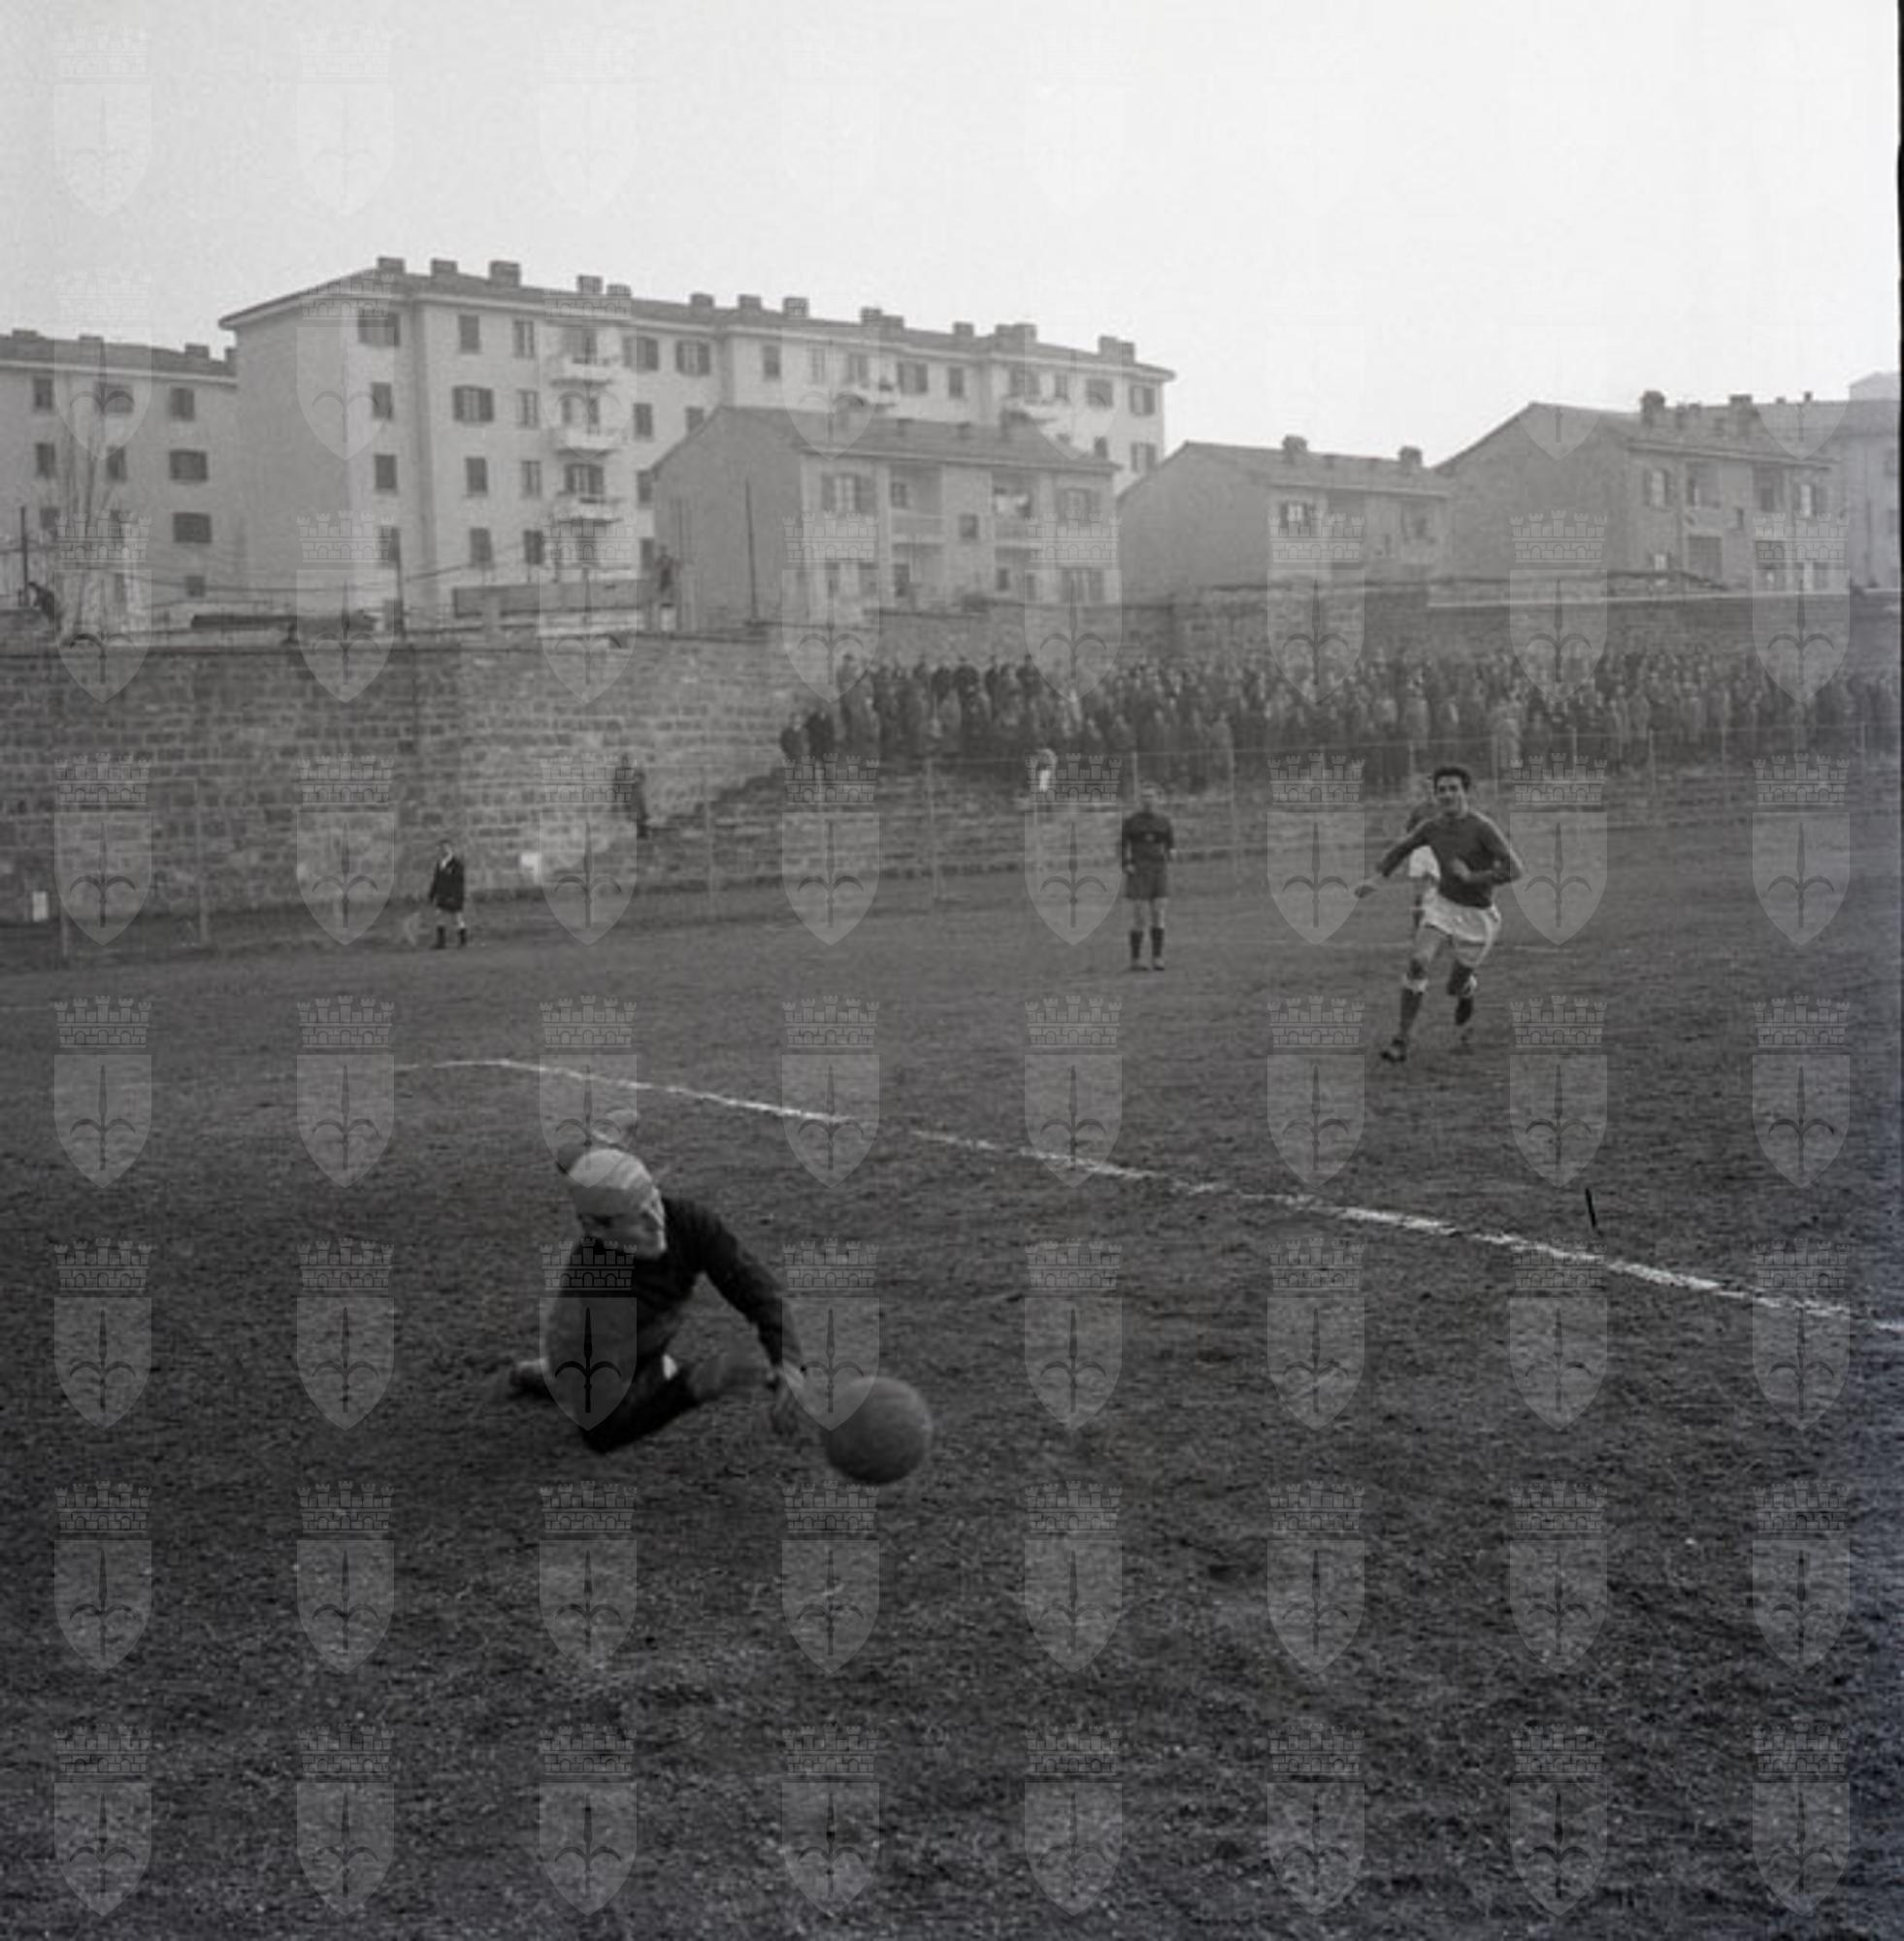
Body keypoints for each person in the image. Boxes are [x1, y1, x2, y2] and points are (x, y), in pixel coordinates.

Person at [504, 1142, 808, 1451]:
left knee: (643, 1365)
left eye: (654, 1201)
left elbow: (758, 1291)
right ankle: (560, 1374)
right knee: (599, 1380)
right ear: (596, 1229)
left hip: (632, 1348)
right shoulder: (592, 1295)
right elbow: (602, 1434)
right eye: (637, 1216)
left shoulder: (685, 1220)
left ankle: (564, 1374)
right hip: (590, 1349)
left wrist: (789, 1362)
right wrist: (695, 1384)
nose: (657, 1221)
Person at [1355, 765, 1523, 1062]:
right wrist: (1377, 879)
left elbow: (1515, 869)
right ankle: (1402, 1039)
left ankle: (1466, 991)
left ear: (1465, 792)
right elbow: (1401, 848)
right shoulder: (1431, 827)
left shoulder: (1483, 828)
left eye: (1453, 788)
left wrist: (1472, 878)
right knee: (1418, 962)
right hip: (1442, 906)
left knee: (1454, 986)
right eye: (1441, 790)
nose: (1446, 795)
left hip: (1478, 917)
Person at [1120, 781, 1175, 971]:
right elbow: (1123, 845)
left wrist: (1171, 852)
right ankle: (1135, 960)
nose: (1147, 800)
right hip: (1139, 870)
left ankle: (1158, 958)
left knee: (1159, 912)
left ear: (1158, 799)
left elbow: (1170, 843)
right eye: (1144, 796)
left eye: (1151, 796)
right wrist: (1126, 863)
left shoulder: (1164, 821)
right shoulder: (1131, 822)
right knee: (1140, 915)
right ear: (1139, 800)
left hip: (1159, 870)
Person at [428, 838, 468, 949]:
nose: (443, 850)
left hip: (454, 895)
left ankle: (463, 941)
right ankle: (441, 942)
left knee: (457, 917)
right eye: (441, 848)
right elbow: (436, 880)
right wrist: (431, 894)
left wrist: (454, 896)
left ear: (451, 849)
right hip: (442, 894)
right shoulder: (440, 863)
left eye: (446, 848)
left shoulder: (457, 864)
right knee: (439, 916)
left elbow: (459, 881)